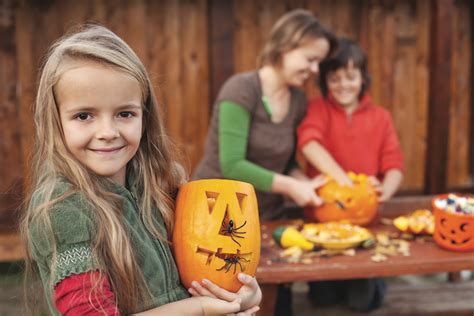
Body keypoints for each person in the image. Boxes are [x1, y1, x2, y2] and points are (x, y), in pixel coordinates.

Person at [21, 24, 261, 315]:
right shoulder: (64, 209)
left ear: (145, 117)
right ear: (55, 121)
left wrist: (238, 296)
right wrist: (198, 309)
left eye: (125, 113)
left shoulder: (163, 184)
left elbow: (207, 270)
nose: (107, 131)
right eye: (84, 115)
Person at [192, 9, 336, 316]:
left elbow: (286, 162)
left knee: (275, 304)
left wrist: (305, 183)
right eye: (310, 59)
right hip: (218, 219)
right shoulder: (240, 90)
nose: (315, 69)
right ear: (285, 47)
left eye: (319, 62)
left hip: (266, 217)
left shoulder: (297, 101)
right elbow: (232, 164)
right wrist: (292, 187)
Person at [297, 37, 405, 311]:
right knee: (322, 300)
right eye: (335, 79)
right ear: (325, 82)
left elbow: (394, 166)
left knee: (362, 303)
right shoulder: (317, 109)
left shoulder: (381, 117)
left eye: (350, 77)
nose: (343, 85)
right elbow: (309, 141)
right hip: (322, 222)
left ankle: (373, 282)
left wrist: (383, 191)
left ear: (362, 78)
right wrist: (342, 180)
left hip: (364, 222)